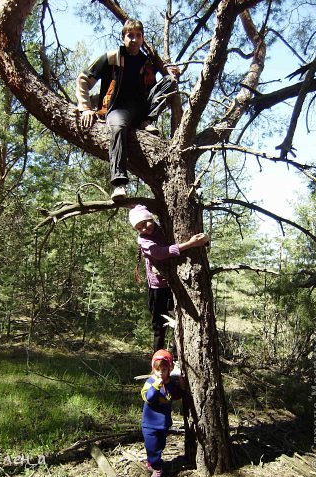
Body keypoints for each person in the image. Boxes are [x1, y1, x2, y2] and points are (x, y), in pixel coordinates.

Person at [76, 18, 179, 201]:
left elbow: (156, 88)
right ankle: (119, 184)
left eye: (138, 36)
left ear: (142, 39)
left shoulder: (147, 64)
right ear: (123, 37)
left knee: (170, 82)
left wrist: (170, 72)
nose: (134, 39)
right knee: (117, 128)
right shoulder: (111, 58)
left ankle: (145, 121)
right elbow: (83, 79)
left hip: (141, 110)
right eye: (130, 35)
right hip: (117, 108)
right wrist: (85, 108)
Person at [129, 204, 209, 352]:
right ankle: (158, 362)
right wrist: (190, 244)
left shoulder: (163, 227)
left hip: (174, 283)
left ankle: (176, 357)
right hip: (157, 287)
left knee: (178, 321)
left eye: (145, 223)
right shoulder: (143, 240)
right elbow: (160, 253)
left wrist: (204, 239)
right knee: (159, 326)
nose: (144, 229)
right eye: (139, 228)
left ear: (150, 218)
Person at [141, 349, 185, 477]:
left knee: (160, 446)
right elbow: (149, 398)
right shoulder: (150, 382)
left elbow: (176, 395)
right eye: (158, 370)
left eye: (164, 370)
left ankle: (153, 460)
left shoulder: (170, 383)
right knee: (151, 446)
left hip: (163, 423)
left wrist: (182, 386)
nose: (161, 373)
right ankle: (157, 467)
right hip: (149, 424)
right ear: (153, 369)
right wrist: (156, 386)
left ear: (169, 370)